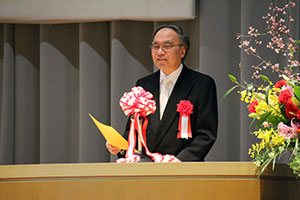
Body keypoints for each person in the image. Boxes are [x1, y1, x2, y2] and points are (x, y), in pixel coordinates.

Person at [106, 24, 218, 162]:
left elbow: (206, 134)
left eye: (167, 46)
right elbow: (134, 130)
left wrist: (180, 160)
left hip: (183, 169)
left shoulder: (201, 84)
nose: (160, 52)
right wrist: (121, 146)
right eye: (155, 46)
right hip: (146, 168)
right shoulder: (144, 84)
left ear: (182, 51)